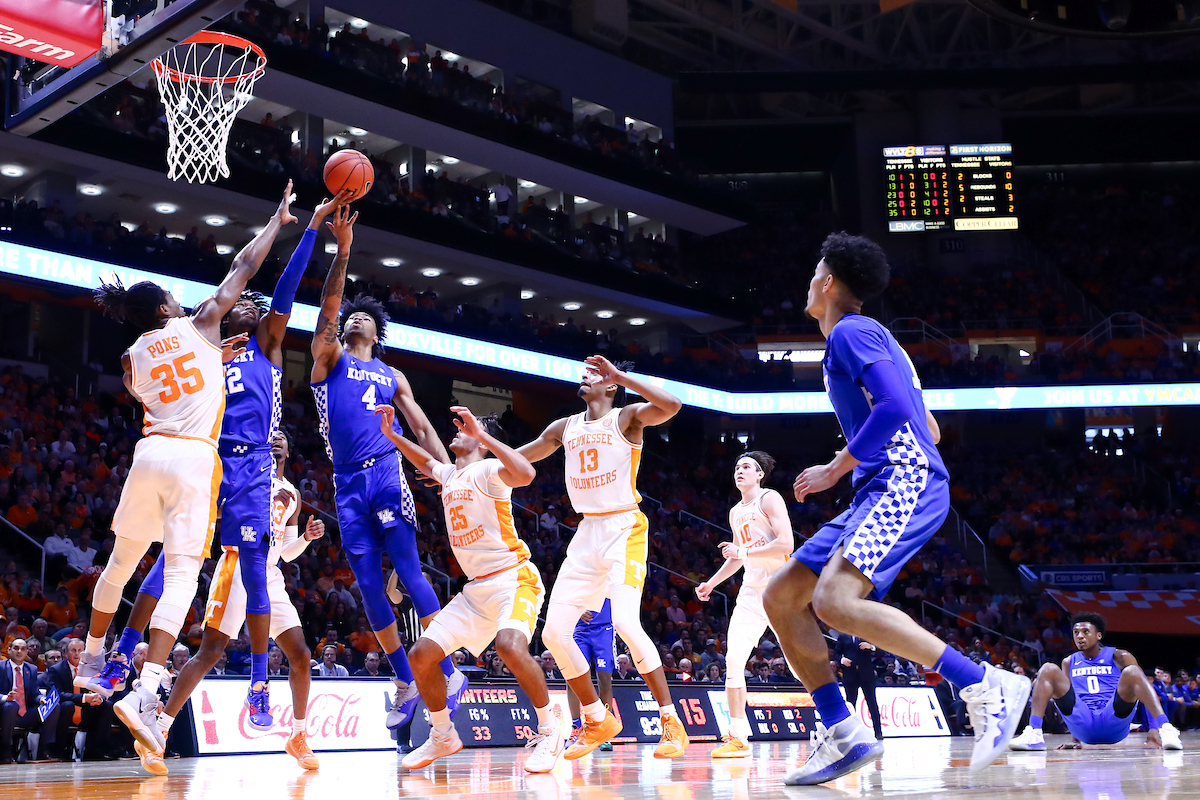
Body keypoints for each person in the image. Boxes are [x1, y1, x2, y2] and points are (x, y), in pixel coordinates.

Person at [761, 232, 1031, 785]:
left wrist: (835, 468)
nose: (809, 283)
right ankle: (842, 731)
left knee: (834, 601)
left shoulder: (849, 332)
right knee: (783, 595)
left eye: (815, 273)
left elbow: (894, 406)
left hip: (901, 481)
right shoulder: (877, 336)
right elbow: (926, 423)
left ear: (829, 282)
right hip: (885, 482)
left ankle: (983, 683)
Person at [87, 188, 349, 735]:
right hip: (204, 465)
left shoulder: (267, 345)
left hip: (246, 467)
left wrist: (308, 233)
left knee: (250, 563)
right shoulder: (207, 347)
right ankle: (124, 655)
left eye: (254, 308)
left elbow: (279, 290)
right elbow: (237, 277)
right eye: (244, 305)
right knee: (167, 561)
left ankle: (257, 683)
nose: (248, 306)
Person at [308, 205, 464, 731]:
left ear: (378, 332)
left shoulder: (391, 373)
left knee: (411, 571)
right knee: (370, 590)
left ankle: (446, 665)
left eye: (366, 317)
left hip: (385, 471)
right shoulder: (328, 359)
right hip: (345, 483)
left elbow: (421, 427)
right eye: (352, 315)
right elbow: (331, 304)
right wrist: (343, 251)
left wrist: (449, 475)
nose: (356, 317)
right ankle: (406, 679)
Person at [376, 405, 563, 774]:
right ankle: (443, 733)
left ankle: (550, 729)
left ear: (481, 440)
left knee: (509, 646)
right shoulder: (450, 475)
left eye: (467, 430)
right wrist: (393, 437)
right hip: (476, 591)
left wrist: (484, 436)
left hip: (514, 578)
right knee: (420, 656)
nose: (458, 432)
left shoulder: (490, 470)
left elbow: (526, 472)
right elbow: (426, 462)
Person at [519, 355, 688, 759]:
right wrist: (481, 457)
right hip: (587, 532)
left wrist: (622, 376)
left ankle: (671, 723)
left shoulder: (627, 417)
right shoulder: (565, 426)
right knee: (554, 632)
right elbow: (520, 459)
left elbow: (672, 406)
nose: (587, 375)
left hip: (624, 528)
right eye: (589, 371)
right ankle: (597, 718)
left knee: (626, 621)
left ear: (610, 386)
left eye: (597, 374)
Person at [143, 429, 326, 775]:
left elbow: (285, 552)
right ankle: (160, 732)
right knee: (210, 652)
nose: (276, 439)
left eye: (283, 436)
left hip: (269, 573)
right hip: (237, 563)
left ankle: (298, 736)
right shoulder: (243, 473)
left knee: (301, 654)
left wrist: (304, 538)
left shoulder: (291, 494)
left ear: (289, 448)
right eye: (271, 434)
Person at [696, 451, 793, 759]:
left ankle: (840, 720)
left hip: (781, 589)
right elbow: (738, 556)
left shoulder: (770, 499)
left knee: (799, 664)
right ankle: (738, 737)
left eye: (747, 466)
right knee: (734, 662)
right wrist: (712, 583)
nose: (740, 470)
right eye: (737, 466)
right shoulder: (736, 511)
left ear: (759, 474)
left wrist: (743, 552)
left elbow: (786, 544)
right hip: (751, 593)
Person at [1009, 612, 1182, 751]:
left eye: (1085, 632)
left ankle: (1165, 729)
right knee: (1047, 668)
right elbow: (1068, 699)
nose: (1080, 636)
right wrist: (1075, 740)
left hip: (1114, 719)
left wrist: (1152, 731)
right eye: (1076, 633)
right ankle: (1034, 734)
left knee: (1133, 671)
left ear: (1098, 635)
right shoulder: (1069, 661)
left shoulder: (1119, 656)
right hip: (1083, 724)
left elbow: (1145, 691)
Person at [42, 638, 113, 761]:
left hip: (85, 712)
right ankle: (60, 750)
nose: (76, 654)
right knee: (67, 705)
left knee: (106, 705)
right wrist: (84, 698)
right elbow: (57, 695)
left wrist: (98, 698)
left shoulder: (91, 668)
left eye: (80, 650)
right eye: (73, 650)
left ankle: (96, 750)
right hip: (66, 713)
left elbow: (101, 688)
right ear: (66, 653)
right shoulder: (56, 670)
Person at [565, 599, 616, 752]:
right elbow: (566, 597)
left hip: (605, 629)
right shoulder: (579, 576)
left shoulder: (611, 575)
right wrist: (577, 611)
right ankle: (576, 727)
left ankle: (604, 730)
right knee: (573, 677)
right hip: (581, 629)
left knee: (605, 679)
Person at [0, 639, 59, 763]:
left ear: (26, 651)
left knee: (53, 706)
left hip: (27, 713)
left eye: (22, 649)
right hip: (6, 712)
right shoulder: (1, 667)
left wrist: (41, 699)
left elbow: (34, 693)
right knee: (11, 705)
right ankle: (5, 750)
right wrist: (6, 698)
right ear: (9, 650)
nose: (19, 651)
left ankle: (44, 749)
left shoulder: (31, 669)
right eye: (16, 648)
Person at [835, 633, 883, 740]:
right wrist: (842, 660)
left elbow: (882, 649)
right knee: (851, 704)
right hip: (850, 674)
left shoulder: (866, 633)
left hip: (866, 674)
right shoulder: (843, 636)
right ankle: (850, 733)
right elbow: (836, 654)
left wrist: (871, 647)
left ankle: (878, 732)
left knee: (872, 703)